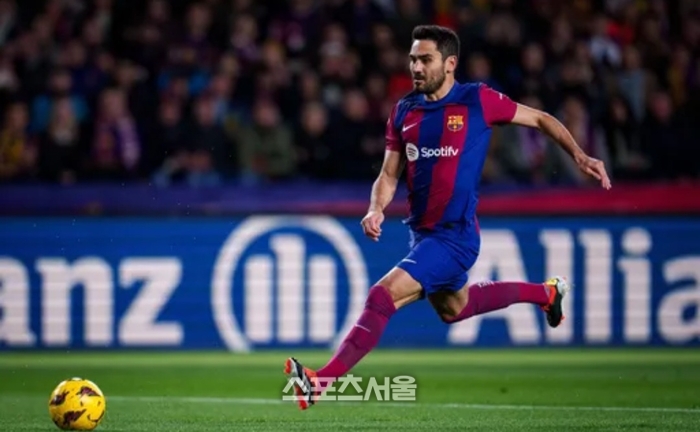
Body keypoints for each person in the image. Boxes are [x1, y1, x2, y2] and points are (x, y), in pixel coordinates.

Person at [284, 25, 612, 410]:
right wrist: (376, 208)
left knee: (381, 295)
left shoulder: (478, 100)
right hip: (422, 237)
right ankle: (547, 293)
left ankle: (320, 381)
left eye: (426, 59)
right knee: (454, 309)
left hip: (455, 238)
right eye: (412, 60)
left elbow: (540, 119)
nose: (416, 67)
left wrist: (579, 155)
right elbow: (388, 175)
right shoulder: (404, 111)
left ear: (450, 63)